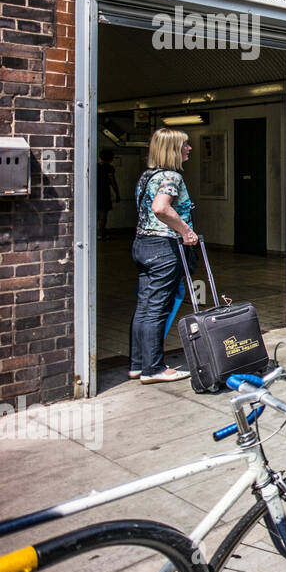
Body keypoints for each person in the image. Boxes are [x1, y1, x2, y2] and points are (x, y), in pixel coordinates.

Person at [129, 129, 197, 384]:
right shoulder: (171, 176)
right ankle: (154, 368)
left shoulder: (149, 175)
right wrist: (186, 230)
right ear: (172, 149)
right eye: (185, 145)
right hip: (163, 248)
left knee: (145, 306)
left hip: (142, 245)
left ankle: (139, 365)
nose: (189, 148)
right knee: (157, 309)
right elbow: (160, 207)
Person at [97, 149, 119, 240]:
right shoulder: (109, 168)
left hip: (95, 191)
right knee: (103, 215)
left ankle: (95, 233)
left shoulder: (95, 166)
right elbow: (112, 181)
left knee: (95, 214)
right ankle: (101, 233)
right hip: (104, 192)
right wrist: (117, 193)